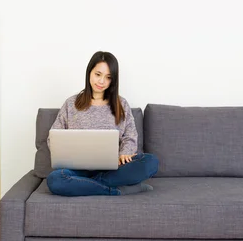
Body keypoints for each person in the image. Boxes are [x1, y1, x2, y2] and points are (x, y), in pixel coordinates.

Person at [46, 51, 159, 196]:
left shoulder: (121, 104)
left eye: (108, 77)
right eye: (98, 74)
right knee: (55, 179)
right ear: (89, 73)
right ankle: (114, 190)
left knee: (151, 162)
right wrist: (67, 155)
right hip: (77, 170)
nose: (101, 82)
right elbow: (53, 139)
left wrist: (124, 153)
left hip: (114, 168)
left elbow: (130, 135)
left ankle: (88, 185)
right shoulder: (71, 104)